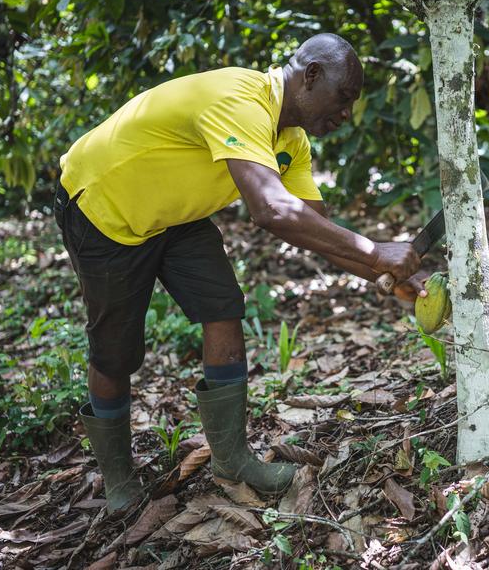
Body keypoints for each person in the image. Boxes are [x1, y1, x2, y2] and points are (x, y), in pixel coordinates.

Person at [54, 33, 425, 513]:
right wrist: (376, 252)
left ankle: (231, 461)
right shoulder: (241, 99)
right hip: (103, 208)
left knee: (223, 308)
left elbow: (314, 227)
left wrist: (386, 274)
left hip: (174, 217)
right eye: (344, 96)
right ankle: (119, 480)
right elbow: (271, 209)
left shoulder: (291, 141)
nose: (347, 112)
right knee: (115, 352)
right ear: (311, 75)